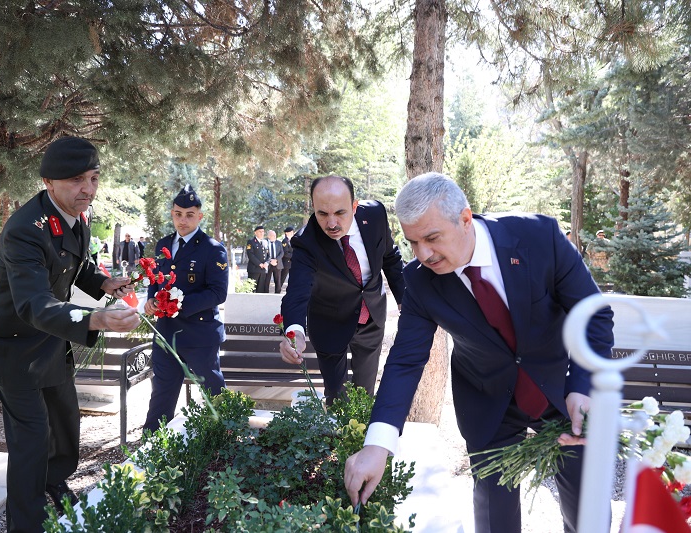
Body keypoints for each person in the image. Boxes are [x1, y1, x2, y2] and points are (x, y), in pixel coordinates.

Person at [343, 173, 615, 533]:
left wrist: (584, 386)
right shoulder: (420, 281)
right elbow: (406, 361)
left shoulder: (539, 237)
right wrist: (378, 445)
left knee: (587, 516)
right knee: (495, 521)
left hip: (564, 393)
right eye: (412, 243)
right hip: (489, 403)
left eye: (432, 238)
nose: (422, 254)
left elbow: (593, 315)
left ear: (465, 218)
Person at [0, 136, 140, 532]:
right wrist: (97, 320)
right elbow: (32, 304)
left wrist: (104, 282)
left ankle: (54, 483)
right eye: (76, 180)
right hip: (12, 344)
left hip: (50, 336)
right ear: (49, 181)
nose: (88, 189)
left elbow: (75, 267)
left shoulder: (75, 217)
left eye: (94, 178)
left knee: (66, 422)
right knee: (31, 439)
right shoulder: (24, 230)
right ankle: (27, 523)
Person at [278, 175, 405, 402]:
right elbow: (297, 291)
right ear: (314, 209)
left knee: (364, 396)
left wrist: (405, 299)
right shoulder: (306, 242)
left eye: (340, 213)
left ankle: (363, 438)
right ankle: (337, 436)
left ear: (354, 207)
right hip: (329, 321)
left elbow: (390, 257)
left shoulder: (375, 215)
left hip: (371, 317)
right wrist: (295, 329)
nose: (332, 223)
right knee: (336, 397)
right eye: (323, 214)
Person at [142, 184, 229, 431]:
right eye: (178, 214)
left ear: (199, 216)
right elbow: (156, 279)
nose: (183, 220)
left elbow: (217, 292)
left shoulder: (212, 248)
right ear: (172, 213)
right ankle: (153, 444)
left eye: (190, 214)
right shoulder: (163, 245)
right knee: (162, 392)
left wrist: (178, 305)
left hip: (199, 334)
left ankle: (224, 440)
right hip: (166, 333)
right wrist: (152, 299)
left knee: (213, 393)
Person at [245, 225, 268, 293]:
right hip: (254, 269)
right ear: (255, 233)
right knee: (251, 290)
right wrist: (259, 264)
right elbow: (250, 255)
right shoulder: (251, 242)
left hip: (263, 270)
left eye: (263, 231)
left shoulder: (265, 242)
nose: (262, 233)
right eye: (260, 232)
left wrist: (267, 262)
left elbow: (268, 255)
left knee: (261, 290)